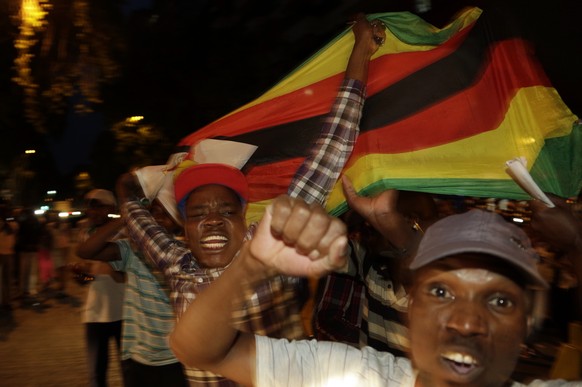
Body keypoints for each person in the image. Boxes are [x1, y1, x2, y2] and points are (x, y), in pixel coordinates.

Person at [116, 13, 385, 386]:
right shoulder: (175, 263)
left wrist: (361, 51)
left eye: (225, 210)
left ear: (244, 217)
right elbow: (130, 209)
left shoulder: (269, 247)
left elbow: (330, 152)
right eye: (198, 213)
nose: (211, 220)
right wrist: (130, 182)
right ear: (185, 227)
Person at [169, 192, 582, 387]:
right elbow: (204, 349)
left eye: (498, 300)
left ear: (528, 321)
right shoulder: (360, 378)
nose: (466, 321)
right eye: (441, 293)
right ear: (412, 307)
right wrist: (251, 267)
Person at [76, 181, 189, 387]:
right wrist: (125, 219)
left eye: (166, 212)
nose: (157, 219)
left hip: (176, 358)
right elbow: (86, 251)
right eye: (152, 213)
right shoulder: (133, 250)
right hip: (137, 356)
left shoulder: (186, 253)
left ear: (179, 218)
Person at [313, 177, 438, 354]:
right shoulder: (371, 264)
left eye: (372, 222)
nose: (367, 227)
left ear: (411, 222)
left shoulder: (437, 281)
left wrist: (394, 229)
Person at [76, 189, 125, 387]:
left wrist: (110, 268)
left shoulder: (124, 233)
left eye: (97, 206)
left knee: (129, 371)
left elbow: (125, 276)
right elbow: (88, 278)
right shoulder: (85, 234)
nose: (92, 211)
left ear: (110, 208)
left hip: (124, 313)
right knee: (96, 375)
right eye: (89, 206)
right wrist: (81, 275)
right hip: (95, 314)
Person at [0, 200, 18, 314]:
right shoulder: (12, 226)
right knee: (7, 279)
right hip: (9, 254)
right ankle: (8, 301)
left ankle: (3, 301)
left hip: (1, 255)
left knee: (2, 280)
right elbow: (14, 240)